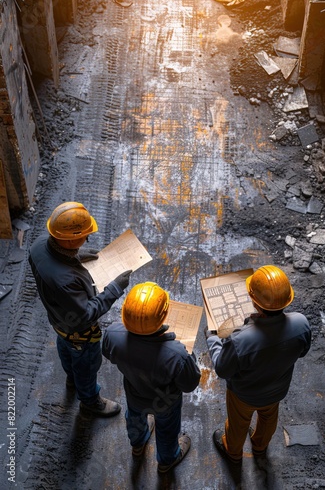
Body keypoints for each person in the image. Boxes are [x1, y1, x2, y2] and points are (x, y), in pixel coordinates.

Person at [29, 201, 133, 417]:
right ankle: (89, 400)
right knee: (86, 366)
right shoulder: (65, 281)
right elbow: (85, 314)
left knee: (65, 347)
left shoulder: (38, 245)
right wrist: (114, 288)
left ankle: (72, 379)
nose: (87, 239)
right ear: (69, 239)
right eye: (84, 236)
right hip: (80, 333)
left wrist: (76, 255)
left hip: (59, 322)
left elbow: (54, 259)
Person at [206, 265, 311, 463]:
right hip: (277, 390)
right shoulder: (301, 323)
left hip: (244, 395)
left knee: (238, 424)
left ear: (254, 302)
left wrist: (212, 338)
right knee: (268, 418)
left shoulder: (240, 340)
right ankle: (260, 446)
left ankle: (233, 451)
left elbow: (222, 368)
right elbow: (302, 352)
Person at [102, 281, 201, 473]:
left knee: (135, 417)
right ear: (164, 316)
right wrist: (189, 355)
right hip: (166, 403)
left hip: (134, 394)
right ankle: (167, 460)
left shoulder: (112, 335)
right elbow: (189, 383)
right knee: (167, 430)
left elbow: (107, 352)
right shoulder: (177, 354)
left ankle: (138, 445)